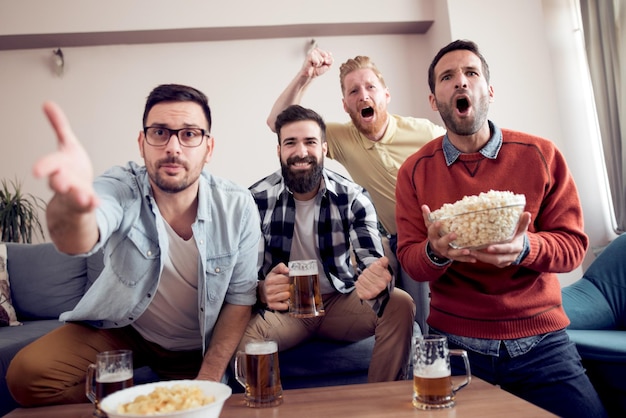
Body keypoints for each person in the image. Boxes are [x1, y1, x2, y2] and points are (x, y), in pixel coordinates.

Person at [6, 84, 261, 407]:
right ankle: (127, 403)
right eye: (159, 132)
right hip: (126, 330)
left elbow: (240, 300)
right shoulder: (122, 186)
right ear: (142, 143)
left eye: (189, 134)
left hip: (198, 343)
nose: (173, 147)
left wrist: (208, 379)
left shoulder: (237, 206)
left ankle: (134, 397)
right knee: (26, 376)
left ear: (208, 148)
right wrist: (72, 206)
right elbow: (83, 233)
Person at [395, 39, 608, 417]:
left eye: (471, 73)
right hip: (455, 343)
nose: (461, 82)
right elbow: (411, 260)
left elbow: (574, 245)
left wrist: (527, 248)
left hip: (541, 341)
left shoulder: (540, 154)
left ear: (488, 91)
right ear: (433, 100)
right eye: (447, 77)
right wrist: (435, 252)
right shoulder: (414, 170)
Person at [267, 48, 445, 333]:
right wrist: (305, 76)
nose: (363, 96)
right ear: (345, 105)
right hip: (391, 238)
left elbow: (460, 152)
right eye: (353, 91)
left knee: (422, 318)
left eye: (370, 87)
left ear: (386, 95)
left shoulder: (423, 132)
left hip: (427, 234)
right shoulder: (340, 137)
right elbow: (278, 121)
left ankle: (428, 353)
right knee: (393, 299)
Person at [242, 104, 416, 382]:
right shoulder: (254, 199)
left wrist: (378, 276)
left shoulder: (353, 197)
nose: (301, 152)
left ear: (324, 148)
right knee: (242, 338)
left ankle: (382, 403)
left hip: (339, 302)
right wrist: (261, 290)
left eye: (310, 142)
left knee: (400, 304)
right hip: (287, 311)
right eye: (290, 143)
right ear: (279, 151)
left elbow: (372, 260)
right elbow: (243, 275)